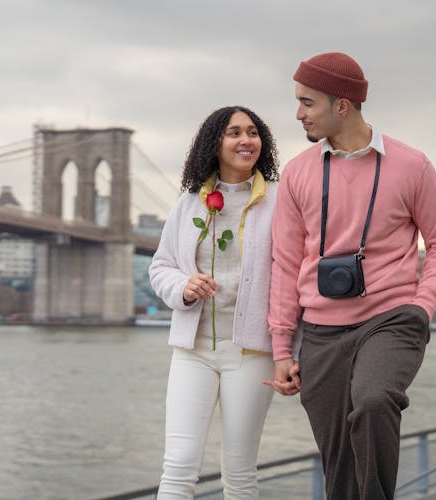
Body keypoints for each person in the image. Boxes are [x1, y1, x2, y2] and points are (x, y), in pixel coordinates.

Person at [264, 52, 436, 500]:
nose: (298, 114)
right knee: (339, 461)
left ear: (342, 105)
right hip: (320, 332)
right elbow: (287, 262)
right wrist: (281, 346)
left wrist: (422, 305)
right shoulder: (296, 174)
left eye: (307, 102)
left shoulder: (412, 166)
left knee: (373, 402)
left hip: (391, 320)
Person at [149, 105, 279, 499]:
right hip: (194, 350)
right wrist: (184, 287)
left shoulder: (281, 201)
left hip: (253, 352)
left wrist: (294, 348)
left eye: (252, 132)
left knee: (240, 472)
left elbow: (293, 275)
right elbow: (160, 267)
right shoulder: (189, 202)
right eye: (234, 133)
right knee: (178, 467)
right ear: (215, 143)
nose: (245, 140)